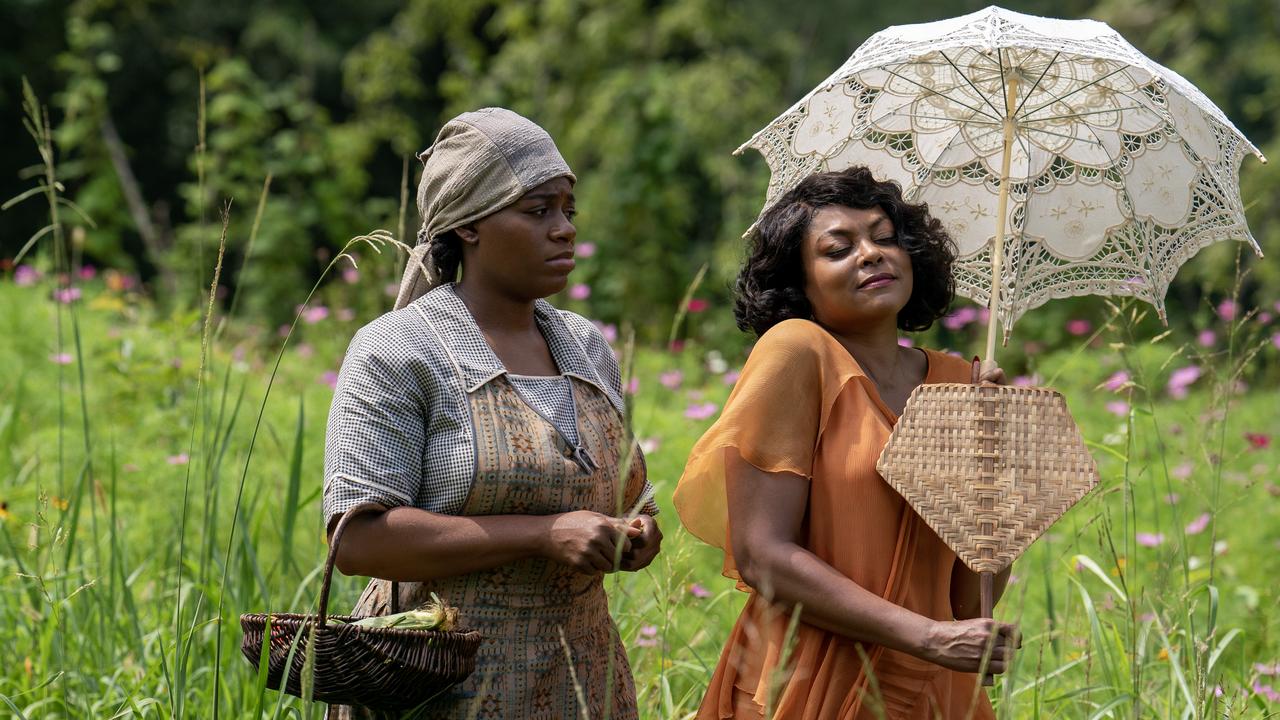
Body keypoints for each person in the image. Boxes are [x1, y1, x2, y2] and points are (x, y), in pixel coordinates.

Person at [322, 107, 661, 720]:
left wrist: (637, 535)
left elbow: (634, 498)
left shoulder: (585, 347)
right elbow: (356, 540)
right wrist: (542, 535)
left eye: (568, 211)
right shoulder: (399, 348)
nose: (564, 230)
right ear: (469, 226)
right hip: (437, 687)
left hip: (579, 685)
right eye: (538, 212)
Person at [674, 167, 1015, 719]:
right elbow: (763, 556)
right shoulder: (797, 352)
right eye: (839, 249)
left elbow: (968, 598)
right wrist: (924, 635)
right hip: (809, 682)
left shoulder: (959, 384)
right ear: (799, 283)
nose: (872, 254)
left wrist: (992, 461)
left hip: (930, 688)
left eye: (885, 239)